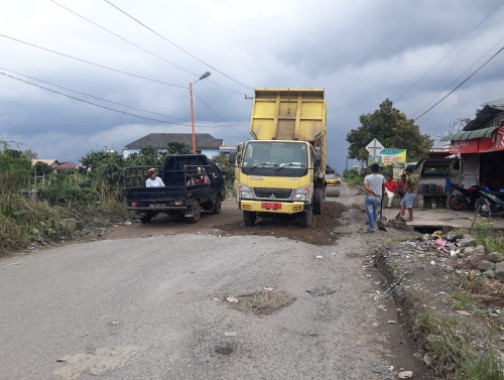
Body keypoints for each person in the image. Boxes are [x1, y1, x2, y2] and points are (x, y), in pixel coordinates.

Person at [363, 163, 386, 233]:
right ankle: (371, 227)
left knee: (370, 213)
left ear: (371, 169)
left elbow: (365, 186)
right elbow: (383, 186)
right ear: (378, 169)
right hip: (378, 198)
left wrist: (372, 191)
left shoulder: (367, 177)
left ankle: (372, 228)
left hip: (370, 197)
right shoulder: (381, 177)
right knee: (375, 213)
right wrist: (382, 194)